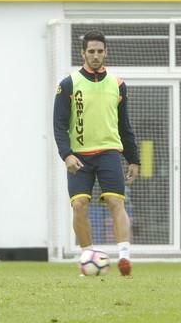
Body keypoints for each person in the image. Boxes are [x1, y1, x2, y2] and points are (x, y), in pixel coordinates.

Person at [53, 30, 140, 276]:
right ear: (83, 53)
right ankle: (87, 256)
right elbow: (59, 125)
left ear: (105, 53)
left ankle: (124, 258)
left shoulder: (118, 84)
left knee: (116, 202)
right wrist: (67, 155)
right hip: (79, 156)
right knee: (79, 205)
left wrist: (133, 158)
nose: (95, 55)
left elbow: (125, 125)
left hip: (109, 153)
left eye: (100, 51)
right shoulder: (68, 84)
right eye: (91, 51)